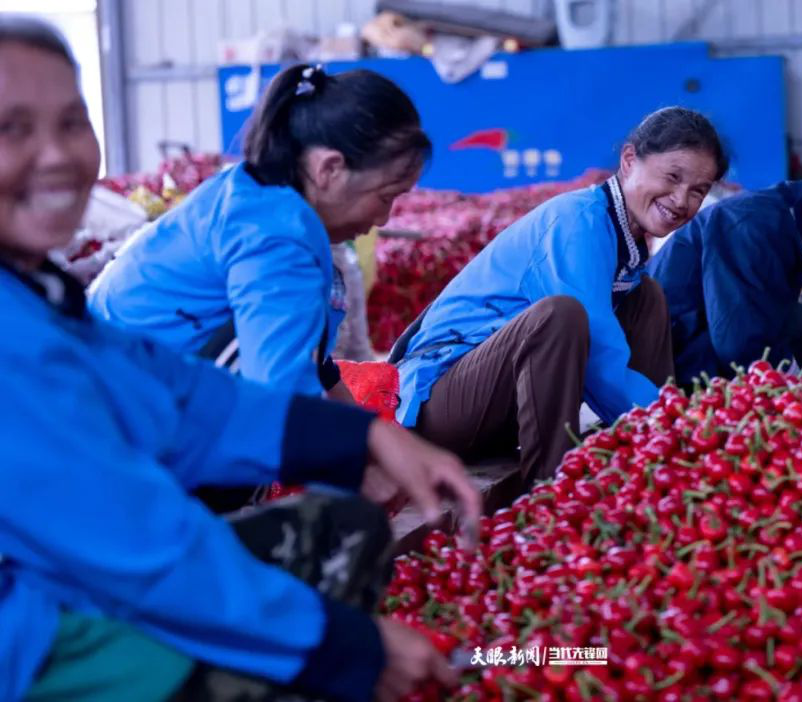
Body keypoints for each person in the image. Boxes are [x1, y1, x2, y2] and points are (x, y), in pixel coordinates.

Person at [0, 16, 480, 701]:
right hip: (29, 638)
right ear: (329, 167)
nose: (56, 155)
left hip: (80, 555)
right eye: (12, 129)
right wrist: (336, 644)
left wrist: (363, 438)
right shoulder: (275, 232)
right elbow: (138, 542)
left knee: (332, 541)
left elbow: (172, 391)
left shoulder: (33, 292)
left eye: (73, 122)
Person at [393, 107, 728, 482]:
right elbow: (599, 347)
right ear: (629, 160)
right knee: (559, 316)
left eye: (698, 191)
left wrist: (671, 418)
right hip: (441, 405)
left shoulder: (623, 239)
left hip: (499, 408)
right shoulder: (577, 222)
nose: (681, 200)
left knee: (645, 296)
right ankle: (551, 488)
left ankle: (649, 456)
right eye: (672, 177)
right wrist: (671, 419)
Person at [87, 63, 428, 403]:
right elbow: (279, 400)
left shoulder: (251, 195)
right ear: (330, 168)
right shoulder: (277, 238)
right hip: (115, 403)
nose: (383, 219)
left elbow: (317, 369)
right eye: (386, 196)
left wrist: (363, 428)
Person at [648, 142, 802, 386]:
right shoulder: (751, 224)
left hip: (719, 356)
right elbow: (739, 339)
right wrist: (799, 384)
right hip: (666, 361)